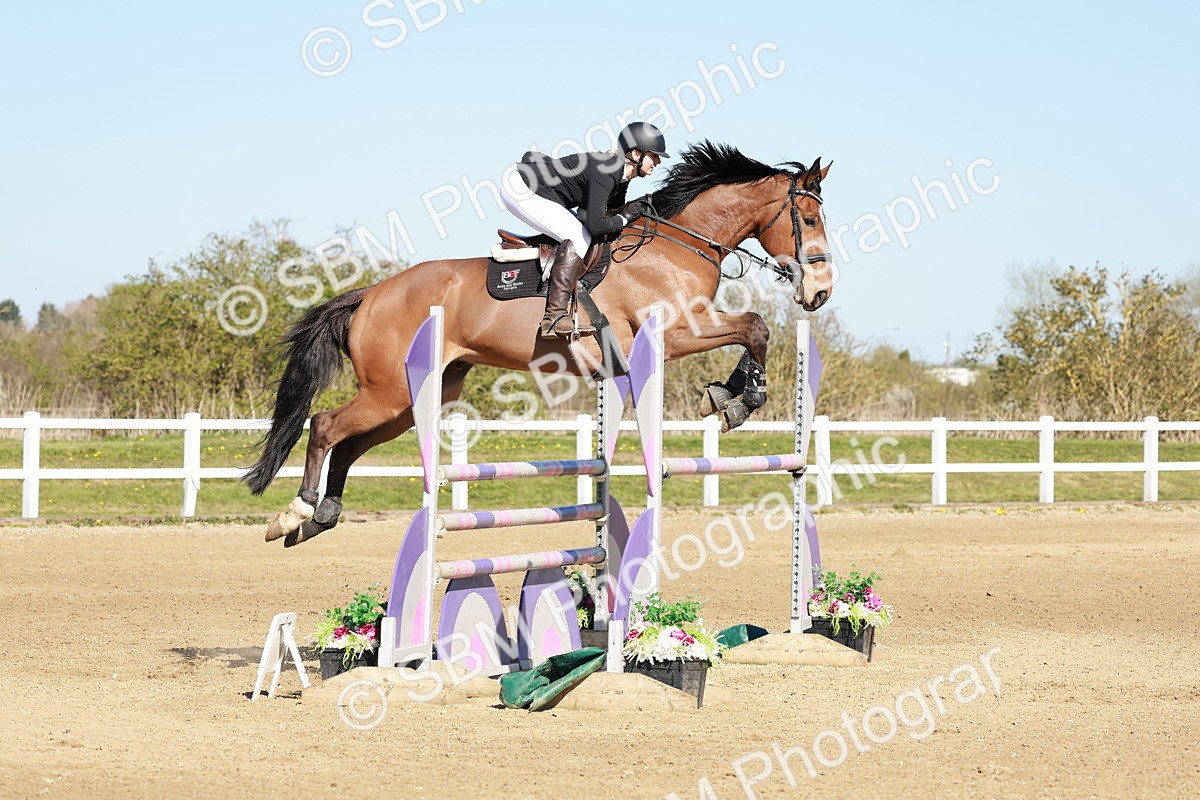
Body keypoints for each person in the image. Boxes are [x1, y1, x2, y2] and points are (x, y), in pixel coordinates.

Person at [500, 121, 669, 338]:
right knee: (578, 238)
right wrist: (626, 217)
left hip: (538, 188)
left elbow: (605, 215)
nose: (658, 161)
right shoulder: (607, 170)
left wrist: (637, 211)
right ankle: (554, 316)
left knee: (582, 233)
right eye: (654, 155)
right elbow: (597, 224)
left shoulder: (621, 177)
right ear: (636, 154)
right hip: (521, 187)